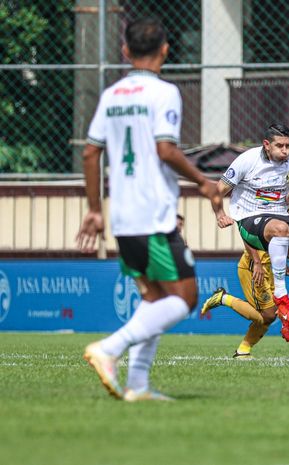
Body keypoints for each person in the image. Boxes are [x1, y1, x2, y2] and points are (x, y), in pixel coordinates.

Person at [76, 17, 221, 400]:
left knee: (154, 299)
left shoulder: (111, 95)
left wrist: (94, 209)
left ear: (125, 51)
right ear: (165, 49)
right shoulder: (164, 92)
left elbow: (91, 152)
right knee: (185, 298)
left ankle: (137, 384)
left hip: (123, 218)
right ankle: (110, 348)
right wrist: (204, 182)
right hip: (153, 214)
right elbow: (166, 150)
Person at [212, 123, 289, 342]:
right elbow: (218, 190)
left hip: (280, 217)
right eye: (280, 146)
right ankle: (280, 294)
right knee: (280, 229)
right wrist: (220, 214)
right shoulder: (247, 160)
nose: (286, 151)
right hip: (248, 219)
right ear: (267, 145)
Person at [199, 247, 289, 358]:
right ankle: (224, 298)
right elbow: (248, 235)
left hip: (270, 268)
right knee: (269, 314)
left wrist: (282, 262)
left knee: (270, 315)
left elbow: (275, 242)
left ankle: (243, 350)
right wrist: (256, 262)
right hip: (255, 268)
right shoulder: (253, 224)